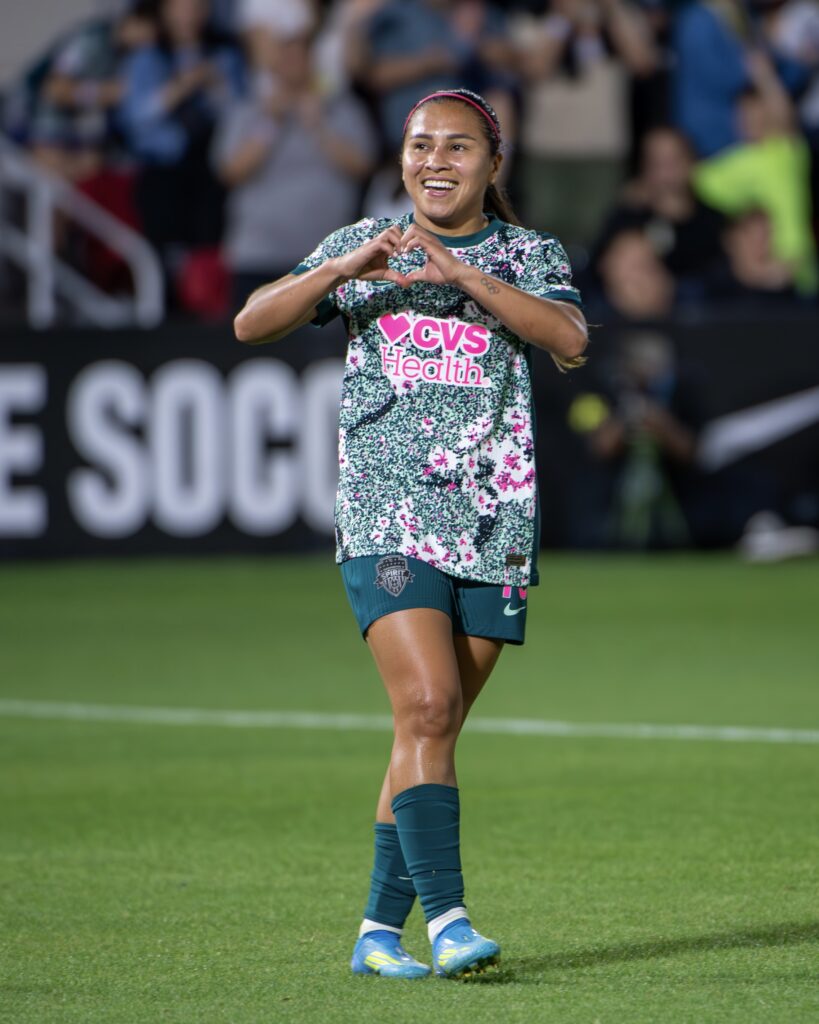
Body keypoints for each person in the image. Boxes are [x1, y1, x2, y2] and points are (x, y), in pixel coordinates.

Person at [234, 88, 587, 979]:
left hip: (492, 518)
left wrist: (462, 275)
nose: (435, 160)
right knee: (427, 707)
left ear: (492, 164)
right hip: (386, 511)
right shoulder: (369, 245)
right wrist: (341, 268)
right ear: (400, 158)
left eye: (458, 146)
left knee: (429, 728)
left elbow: (569, 338)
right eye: (421, 144)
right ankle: (451, 920)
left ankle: (376, 934)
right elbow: (251, 321)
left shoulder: (527, 253)